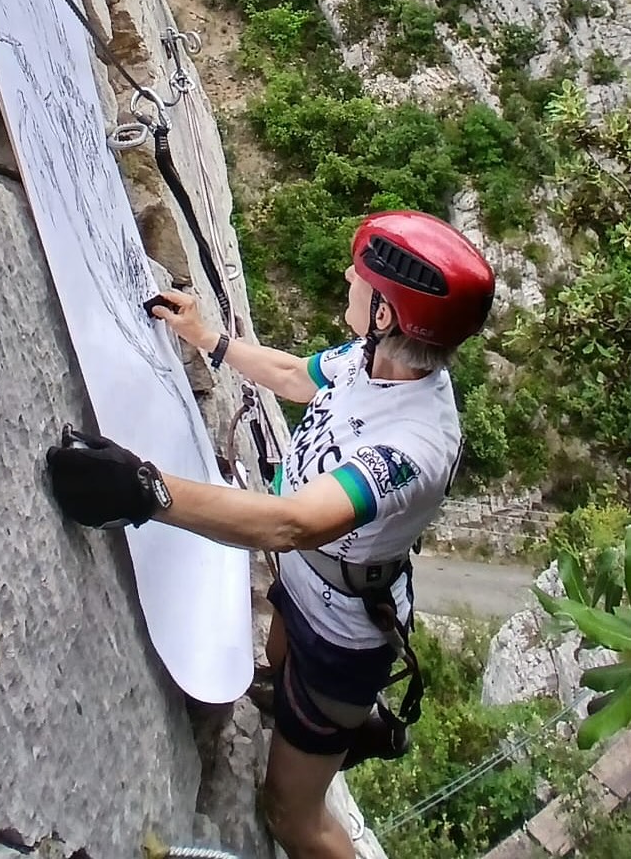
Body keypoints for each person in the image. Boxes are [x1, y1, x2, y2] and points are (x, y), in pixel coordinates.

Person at [46, 209, 495, 859]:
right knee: (278, 669)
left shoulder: (415, 446)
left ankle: (332, 731)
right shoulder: (376, 356)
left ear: (387, 315)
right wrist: (211, 340)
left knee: (289, 815)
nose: (348, 275)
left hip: (344, 635)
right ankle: (312, 715)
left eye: (363, 277)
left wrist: (148, 491)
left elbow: (293, 523)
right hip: (309, 586)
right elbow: (297, 375)